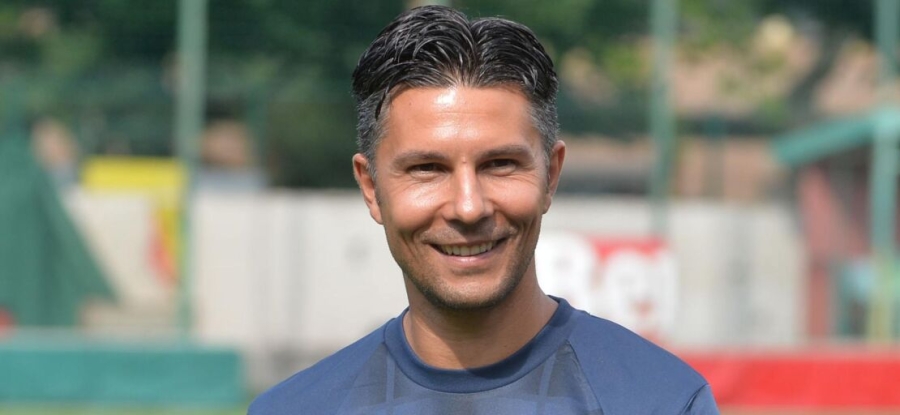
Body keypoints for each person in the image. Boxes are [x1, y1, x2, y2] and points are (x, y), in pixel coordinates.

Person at [249, 5, 719, 414]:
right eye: (427, 168)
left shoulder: (660, 401)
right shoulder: (296, 409)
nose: (469, 207)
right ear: (371, 188)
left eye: (500, 164)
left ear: (551, 175)